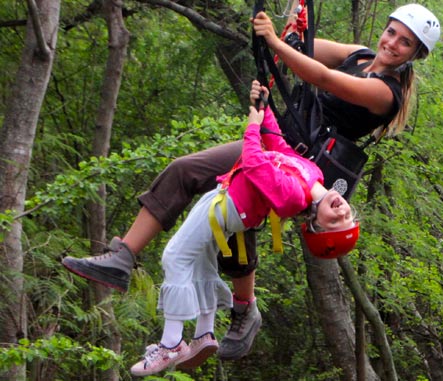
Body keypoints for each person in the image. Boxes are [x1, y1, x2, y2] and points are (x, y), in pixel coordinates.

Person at [61, 3, 440, 361]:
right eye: (392, 32)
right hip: (276, 141)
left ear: (415, 54)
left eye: (404, 42)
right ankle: (124, 258)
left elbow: (321, 76)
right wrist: (291, 30)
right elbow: (305, 48)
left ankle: (243, 308)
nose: (392, 43)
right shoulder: (359, 56)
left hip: (301, 165)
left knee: (233, 213)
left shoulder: (384, 94)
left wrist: (276, 41)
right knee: (189, 174)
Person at [126, 81, 359, 376]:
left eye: (335, 222)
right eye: (347, 215)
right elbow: (278, 145)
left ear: (315, 224)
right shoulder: (313, 173)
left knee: (174, 257)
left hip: (226, 207)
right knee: (200, 262)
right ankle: (204, 333)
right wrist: (266, 106)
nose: (341, 211)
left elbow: (254, 162)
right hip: (226, 203)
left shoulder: (293, 196)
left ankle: (171, 343)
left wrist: (252, 126)